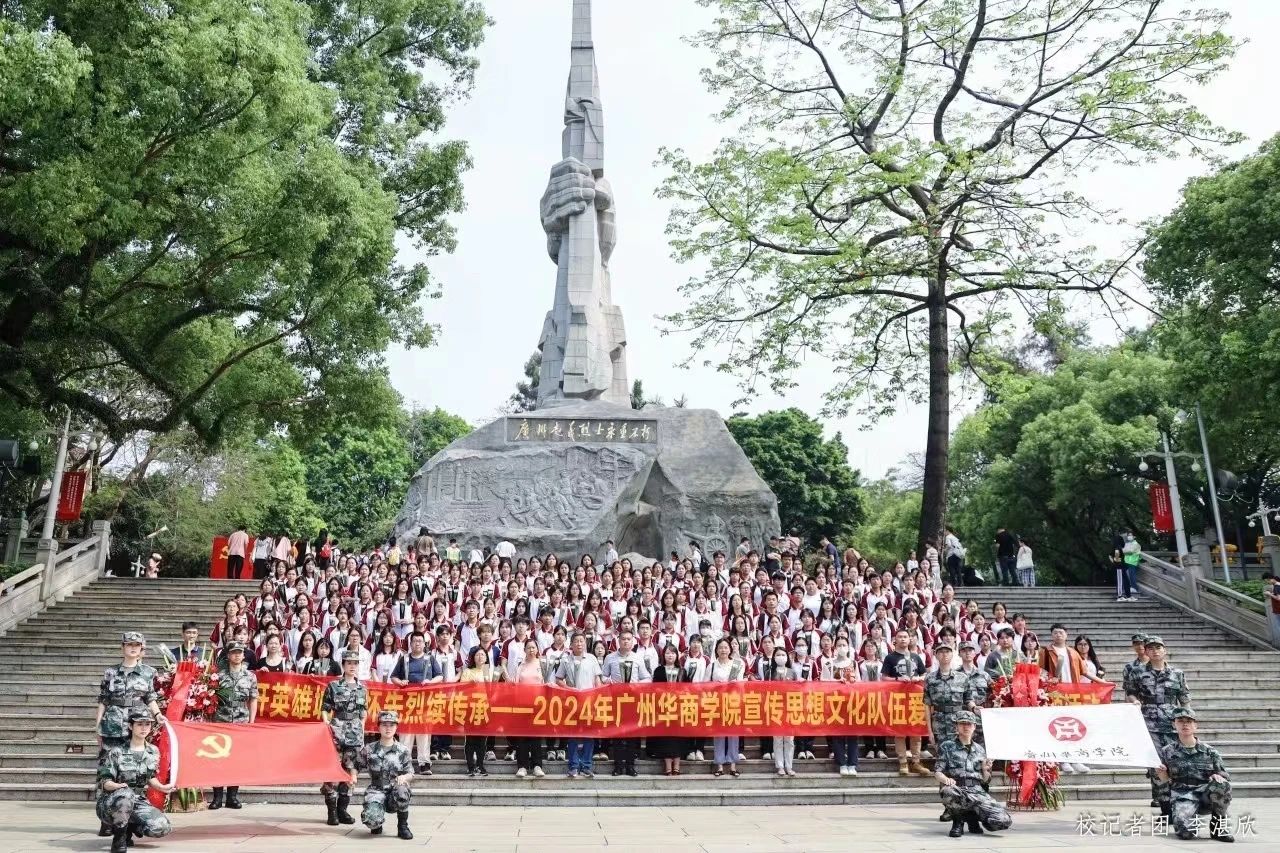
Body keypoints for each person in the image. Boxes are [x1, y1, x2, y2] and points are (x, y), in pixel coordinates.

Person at [94, 632, 161, 837]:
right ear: (122, 647)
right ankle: (107, 818)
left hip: (137, 726)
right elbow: (103, 699)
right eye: (129, 644)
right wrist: (98, 725)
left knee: (134, 771)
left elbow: (150, 697)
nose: (133, 648)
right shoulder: (111, 672)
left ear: (142, 649)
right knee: (107, 772)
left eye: (137, 645)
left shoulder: (148, 672)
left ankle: (130, 818)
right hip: (112, 727)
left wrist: (158, 715)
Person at [1126, 635, 1190, 817]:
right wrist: (1135, 701)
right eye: (1151, 648)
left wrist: (1187, 720)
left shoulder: (1177, 673)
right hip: (1149, 722)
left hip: (1172, 723)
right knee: (1157, 763)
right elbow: (1130, 692)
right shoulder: (1137, 672)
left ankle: (1178, 801)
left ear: (1164, 650)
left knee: (1175, 762)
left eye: (1158, 647)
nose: (1155, 651)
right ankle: (1165, 806)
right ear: (1146, 651)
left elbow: (1184, 698)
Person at [96, 708, 174, 853]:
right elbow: (105, 782)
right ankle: (119, 839)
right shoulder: (117, 751)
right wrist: (117, 786)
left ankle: (130, 826)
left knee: (161, 827)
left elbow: (150, 777)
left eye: (147, 724)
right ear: (131, 726)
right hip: (112, 802)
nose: (144, 728)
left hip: (137, 801)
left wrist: (162, 787)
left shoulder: (153, 751)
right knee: (126, 794)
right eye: (139, 724)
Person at [1156, 708, 1234, 842]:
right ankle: (1189, 818)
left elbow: (1223, 774)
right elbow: (1164, 780)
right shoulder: (1167, 752)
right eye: (1180, 721)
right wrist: (1162, 773)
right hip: (1182, 796)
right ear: (1174, 725)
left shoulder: (1210, 751)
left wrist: (1217, 776)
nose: (1185, 724)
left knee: (1222, 785)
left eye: (1189, 721)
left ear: (1195, 725)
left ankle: (1218, 828)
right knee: (1185, 833)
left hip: (1205, 795)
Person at [933, 710, 1012, 838]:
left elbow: (985, 781)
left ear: (974, 726)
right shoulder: (947, 746)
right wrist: (945, 779)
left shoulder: (980, 750)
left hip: (977, 791)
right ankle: (958, 822)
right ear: (956, 726)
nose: (966, 727)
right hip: (958, 788)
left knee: (1003, 821)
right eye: (962, 723)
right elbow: (938, 771)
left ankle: (973, 817)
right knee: (948, 791)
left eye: (969, 724)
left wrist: (985, 770)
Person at [209, 641, 257, 810]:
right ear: (228, 655)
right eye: (234, 652)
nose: (237, 655)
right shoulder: (219, 676)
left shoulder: (250, 676)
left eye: (240, 652)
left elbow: (253, 699)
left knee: (236, 760)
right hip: (220, 720)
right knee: (218, 760)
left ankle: (232, 797)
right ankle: (217, 797)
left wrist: (251, 722)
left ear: (243, 655)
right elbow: (211, 699)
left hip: (240, 721)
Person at [321, 655, 368, 826]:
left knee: (350, 772)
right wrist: (326, 724)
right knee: (332, 771)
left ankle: (342, 810)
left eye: (355, 663)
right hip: (337, 730)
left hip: (355, 733)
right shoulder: (333, 686)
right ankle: (332, 811)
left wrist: (361, 729)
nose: (352, 666)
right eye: (349, 663)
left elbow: (363, 712)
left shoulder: (363, 688)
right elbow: (325, 708)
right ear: (343, 665)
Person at [389, 631, 444, 775]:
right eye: (414, 641)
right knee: (406, 734)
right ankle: (404, 764)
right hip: (407, 703)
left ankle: (424, 763)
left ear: (425, 644)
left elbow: (440, 676)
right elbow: (393, 677)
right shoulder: (404, 659)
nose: (417, 643)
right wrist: (400, 682)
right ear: (410, 643)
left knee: (424, 733)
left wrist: (430, 682)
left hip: (425, 703)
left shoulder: (430, 658)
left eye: (420, 641)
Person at [355, 711, 415, 840]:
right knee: (371, 821)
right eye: (384, 725)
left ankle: (403, 826)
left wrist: (404, 777)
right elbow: (356, 766)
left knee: (402, 790)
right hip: (376, 790)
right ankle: (377, 821)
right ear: (378, 727)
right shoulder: (369, 749)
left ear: (396, 727)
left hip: (394, 790)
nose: (388, 728)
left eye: (391, 725)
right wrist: (352, 777)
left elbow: (410, 773)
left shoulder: (403, 750)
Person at [601, 628, 651, 777]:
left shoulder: (637, 658)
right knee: (617, 734)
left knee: (632, 734)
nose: (626, 642)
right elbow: (603, 677)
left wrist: (636, 685)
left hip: (633, 700)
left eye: (629, 639)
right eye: (623, 639)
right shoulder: (610, 658)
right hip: (616, 700)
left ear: (633, 641)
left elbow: (647, 678)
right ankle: (618, 765)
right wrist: (610, 681)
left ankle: (630, 766)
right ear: (618, 641)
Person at [882, 628, 930, 777]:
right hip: (898, 699)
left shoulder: (916, 657)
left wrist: (918, 678)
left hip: (915, 699)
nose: (903, 639)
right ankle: (902, 761)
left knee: (916, 731)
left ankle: (916, 761)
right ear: (895, 640)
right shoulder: (890, 658)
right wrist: (897, 679)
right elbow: (884, 678)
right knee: (900, 732)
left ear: (910, 639)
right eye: (900, 637)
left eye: (905, 637)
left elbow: (925, 674)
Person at [556, 632, 603, 778]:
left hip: (589, 702)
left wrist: (598, 695)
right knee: (573, 736)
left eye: (581, 641)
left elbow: (597, 679)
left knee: (589, 735)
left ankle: (587, 766)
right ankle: (574, 766)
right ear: (571, 644)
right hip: (572, 703)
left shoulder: (592, 659)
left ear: (585, 643)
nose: (579, 643)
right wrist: (570, 689)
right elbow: (558, 679)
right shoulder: (566, 660)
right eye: (576, 641)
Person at [706, 637, 745, 778]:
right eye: (720, 647)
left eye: (726, 647)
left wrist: (733, 684)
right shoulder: (711, 666)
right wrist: (715, 685)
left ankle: (733, 765)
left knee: (733, 734)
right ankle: (719, 765)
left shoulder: (737, 664)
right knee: (719, 734)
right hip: (717, 703)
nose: (723, 650)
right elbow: (705, 685)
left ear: (730, 649)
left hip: (733, 702)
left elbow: (741, 684)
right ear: (716, 650)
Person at [460, 646, 502, 776]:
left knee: (482, 740)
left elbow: (496, 690)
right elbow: (461, 689)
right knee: (470, 739)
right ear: (473, 657)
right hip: (470, 709)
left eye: (482, 655)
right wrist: (470, 684)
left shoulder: (489, 672)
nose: (480, 657)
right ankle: (470, 766)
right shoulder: (467, 672)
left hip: (484, 709)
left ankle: (480, 765)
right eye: (477, 655)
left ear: (486, 658)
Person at [650, 644, 690, 776]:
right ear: (663, 655)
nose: (670, 655)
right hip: (663, 707)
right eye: (667, 653)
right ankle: (668, 766)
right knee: (666, 737)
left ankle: (677, 765)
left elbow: (688, 689)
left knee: (678, 737)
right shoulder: (659, 670)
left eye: (673, 653)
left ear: (677, 655)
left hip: (678, 708)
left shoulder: (682, 671)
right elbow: (654, 688)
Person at [511, 638, 547, 778]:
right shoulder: (520, 665)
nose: (531, 650)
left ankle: (537, 765)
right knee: (522, 736)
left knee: (536, 736)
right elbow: (516, 684)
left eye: (533, 647)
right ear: (524, 650)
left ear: (537, 649)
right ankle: (522, 766)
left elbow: (547, 682)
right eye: (528, 648)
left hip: (538, 705)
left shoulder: (542, 664)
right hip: (522, 705)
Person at [1120, 531, 1142, 602]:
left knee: (1132, 575)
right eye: (1128, 535)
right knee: (1126, 576)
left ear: (1134, 537)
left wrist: (1123, 550)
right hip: (1126, 561)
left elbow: (1130, 551)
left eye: (1130, 535)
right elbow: (1124, 551)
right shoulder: (1127, 544)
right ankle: (1128, 588)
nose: (1129, 536)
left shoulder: (1136, 544)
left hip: (1132, 561)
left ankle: (1134, 587)